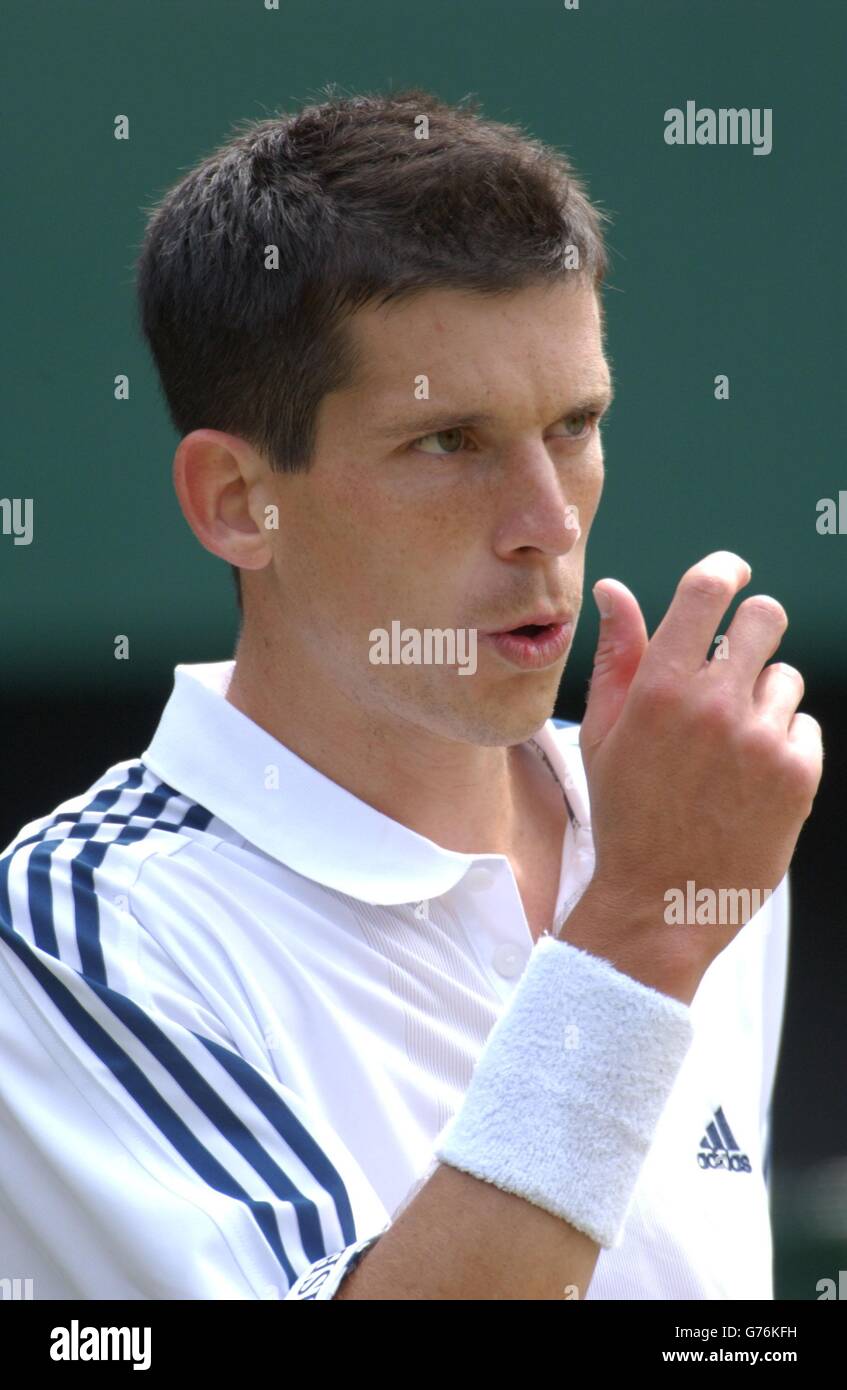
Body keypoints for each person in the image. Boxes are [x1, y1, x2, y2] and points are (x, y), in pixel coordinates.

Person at [0, 88, 822, 1300]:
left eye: (576, 424)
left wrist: (647, 907)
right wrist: (639, 934)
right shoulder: (64, 938)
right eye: (448, 443)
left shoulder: (682, 830)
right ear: (238, 500)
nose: (547, 523)